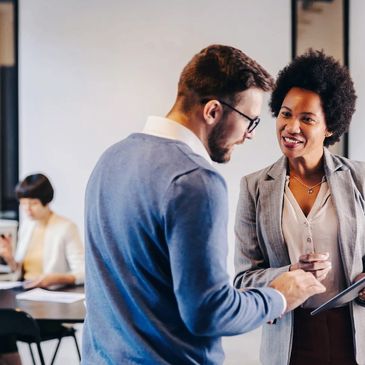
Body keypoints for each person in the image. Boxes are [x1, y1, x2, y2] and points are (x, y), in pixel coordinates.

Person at [82, 44, 325, 365]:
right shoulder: (196, 180)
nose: (249, 135)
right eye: (250, 121)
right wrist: (279, 296)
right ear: (212, 111)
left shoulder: (111, 158)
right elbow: (209, 313)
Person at [234, 49, 365, 365]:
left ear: (330, 126)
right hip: (289, 339)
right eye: (285, 113)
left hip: (354, 334)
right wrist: (290, 273)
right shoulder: (253, 187)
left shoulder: (360, 179)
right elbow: (242, 281)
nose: (291, 127)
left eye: (307, 118)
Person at [0, 173, 84, 365]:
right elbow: (22, 271)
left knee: (4, 324)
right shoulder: (28, 226)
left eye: (33, 204)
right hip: (24, 301)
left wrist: (53, 279)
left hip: (50, 309)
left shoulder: (65, 228)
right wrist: (9, 258)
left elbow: (83, 271)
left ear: (46, 201)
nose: (27, 210)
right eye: (23, 204)